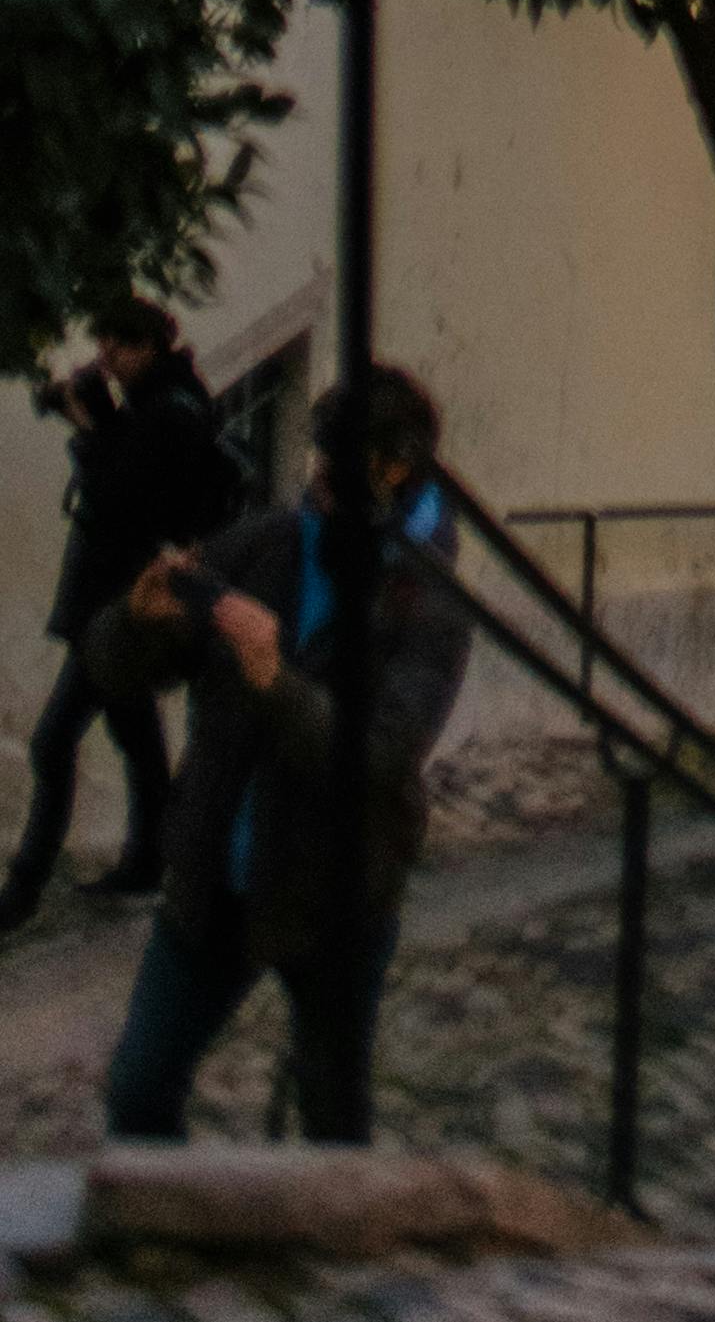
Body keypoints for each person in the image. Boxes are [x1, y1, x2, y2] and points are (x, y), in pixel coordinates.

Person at [95, 366, 472, 1150]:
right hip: (214, 879)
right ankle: (166, 1228)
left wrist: (275, 678)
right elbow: (119, 667)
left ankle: (327, 1259)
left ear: (394, 467)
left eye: (338, 456)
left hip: (336, 892)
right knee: (138, 1086)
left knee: (332, 1115)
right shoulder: (269, 540)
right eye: (317, 452)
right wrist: (137, 621)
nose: (317, 476)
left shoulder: (426, 600)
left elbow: (377, 754)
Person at [0, 313, 240, 940]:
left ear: (149, 346)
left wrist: (87, 428)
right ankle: (147, 862)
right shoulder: (157, 404)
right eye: (104, 342)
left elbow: (121, 499)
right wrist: (100, 418)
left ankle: (22, 890)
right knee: (134, 733)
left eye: (117, 344)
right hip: (117, 599)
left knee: (54, 741)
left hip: (119, 602)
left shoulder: (169, 413)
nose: (105, 355)